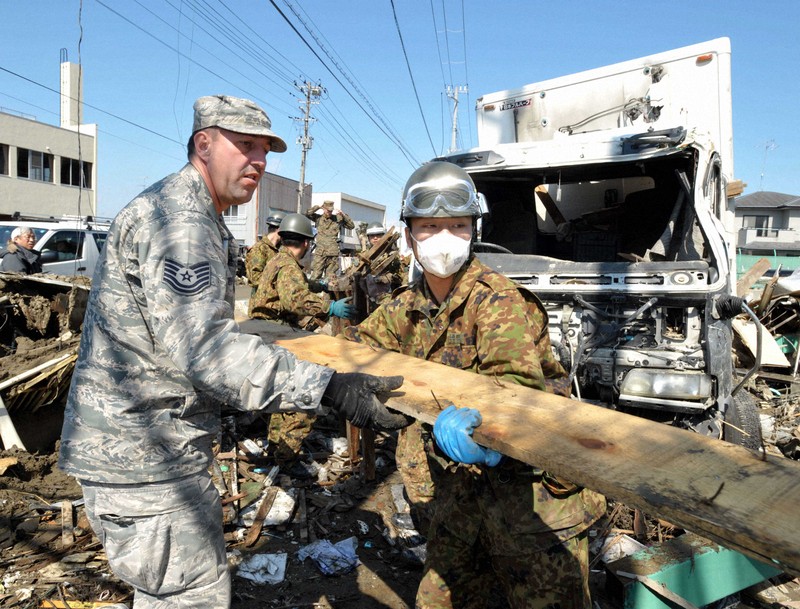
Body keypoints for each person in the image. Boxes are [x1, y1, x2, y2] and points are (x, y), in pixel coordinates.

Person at [58, 94, 408, 609]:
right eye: (244, 145)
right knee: (191, 597)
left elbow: (183, 332)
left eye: (265, 150)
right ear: (203, 143)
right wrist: (327, 387)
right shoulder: (180, 221)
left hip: (144, 453)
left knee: (170, 593)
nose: (259, 162)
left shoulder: (187, 211)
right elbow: (205, 352)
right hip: (146, 460)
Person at [343, 161, 605, 609]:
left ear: (473, 231)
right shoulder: (405, 306)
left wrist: (486, 434)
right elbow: (357, 351)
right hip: (458, 505)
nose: (444, 237)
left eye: (458, 225)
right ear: (408, 235)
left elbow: (515, 390)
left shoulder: (498, 299)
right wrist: (345, 385)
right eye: (429, 226)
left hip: (530, 505)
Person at [249, 212, 356, 472]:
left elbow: (294, 287)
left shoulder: (279, 260)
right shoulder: (287, 266)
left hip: (267, 332)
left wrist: (317, 285)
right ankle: (287, 458)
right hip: (276, 333)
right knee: (304, 397)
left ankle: (278, 450)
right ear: (307, 243)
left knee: (281, 395)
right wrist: (329, 306)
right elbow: (293, 300)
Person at [245, 209, 285, 315]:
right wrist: (282, 282)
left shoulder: (276, 250)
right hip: (261, 310)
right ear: (279, 230)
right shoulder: (260, 248)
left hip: (272, 307)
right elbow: (255, 278)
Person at [360, 222, 406, 312]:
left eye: (378, 235)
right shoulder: (365, 256)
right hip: (370, 299)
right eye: (372, 236)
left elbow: (400, 276)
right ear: (368, 238)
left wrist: (387, 277)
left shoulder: (391, 254)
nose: (375, 238)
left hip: (387, 298)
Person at [304, 199, 354, 282]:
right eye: (327, 210)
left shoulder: (337, 219)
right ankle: (312, 293)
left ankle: (328, 294)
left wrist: (344, 215)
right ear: (323, 209)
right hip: (320, 252)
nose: (329, 212)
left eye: (331, 211)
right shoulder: (318, 218)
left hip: (332, 253)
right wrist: (318, 207)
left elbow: (351, 226)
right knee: (316, 276)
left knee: (330, 279)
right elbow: (307, 214)